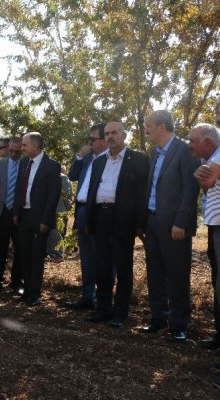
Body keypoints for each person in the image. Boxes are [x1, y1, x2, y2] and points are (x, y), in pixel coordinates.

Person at [139, 110, 200, 342]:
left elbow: (190, 190)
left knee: (177, 275)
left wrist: (180, 222)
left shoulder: (185, 149)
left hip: (175, 225)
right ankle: (158, 319)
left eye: (149, 125)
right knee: (155, 272)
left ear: (162, 127)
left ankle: (179, 326)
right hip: (153, 221)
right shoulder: (155, 152)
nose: (146, 129)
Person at [84, 121, 149, 328]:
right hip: (100, 217)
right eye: (107, 134)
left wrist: (140, 224)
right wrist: (89, 220)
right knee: (101, 267)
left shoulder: (138, 160)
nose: (110, 137)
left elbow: (142, 196)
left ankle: (120, 314)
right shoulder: (99, 162)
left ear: (124, 135)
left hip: (123, 220)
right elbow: (93, 191)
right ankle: (102, 309)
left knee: (123, 267)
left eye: (114, 133)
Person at [12, 132, 61, 306]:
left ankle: (34, 292)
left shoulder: (52, 166)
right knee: (24, 253)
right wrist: (16, 213)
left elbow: (53, 196)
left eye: (24, 145)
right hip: (24, 215)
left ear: (34, 146)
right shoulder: (24, 163)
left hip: (40, 218)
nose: (21, 148)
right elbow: (19, 188)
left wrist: (46, 221)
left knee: (36, 255)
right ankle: (27, 289)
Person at [65, 124, 107, 310]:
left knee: (102, 256)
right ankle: (87, 297)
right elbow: (72, 176)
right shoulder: (88, 157)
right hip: (81, 211)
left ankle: (102, 298)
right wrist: (79, 157)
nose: (89, 143)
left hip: (98, 212)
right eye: (89, 139)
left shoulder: (110, 160)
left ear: (104, 140)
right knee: (87, 257)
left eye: (93, 139)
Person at [189, 123, 220, 351]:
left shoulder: (218, 155)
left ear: (207, 142)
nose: (189, 145)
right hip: (214, 225)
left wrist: (200, 175)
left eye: (193, 141)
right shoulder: (209, 158)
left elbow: (207, 181)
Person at [0, 137, 24, 294]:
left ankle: (17, 282)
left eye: (17, 151)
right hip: (0, 213)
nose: (14, 154)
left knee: (20, 249)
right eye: (11, 151)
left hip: (20, 214)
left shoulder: (27, 165)